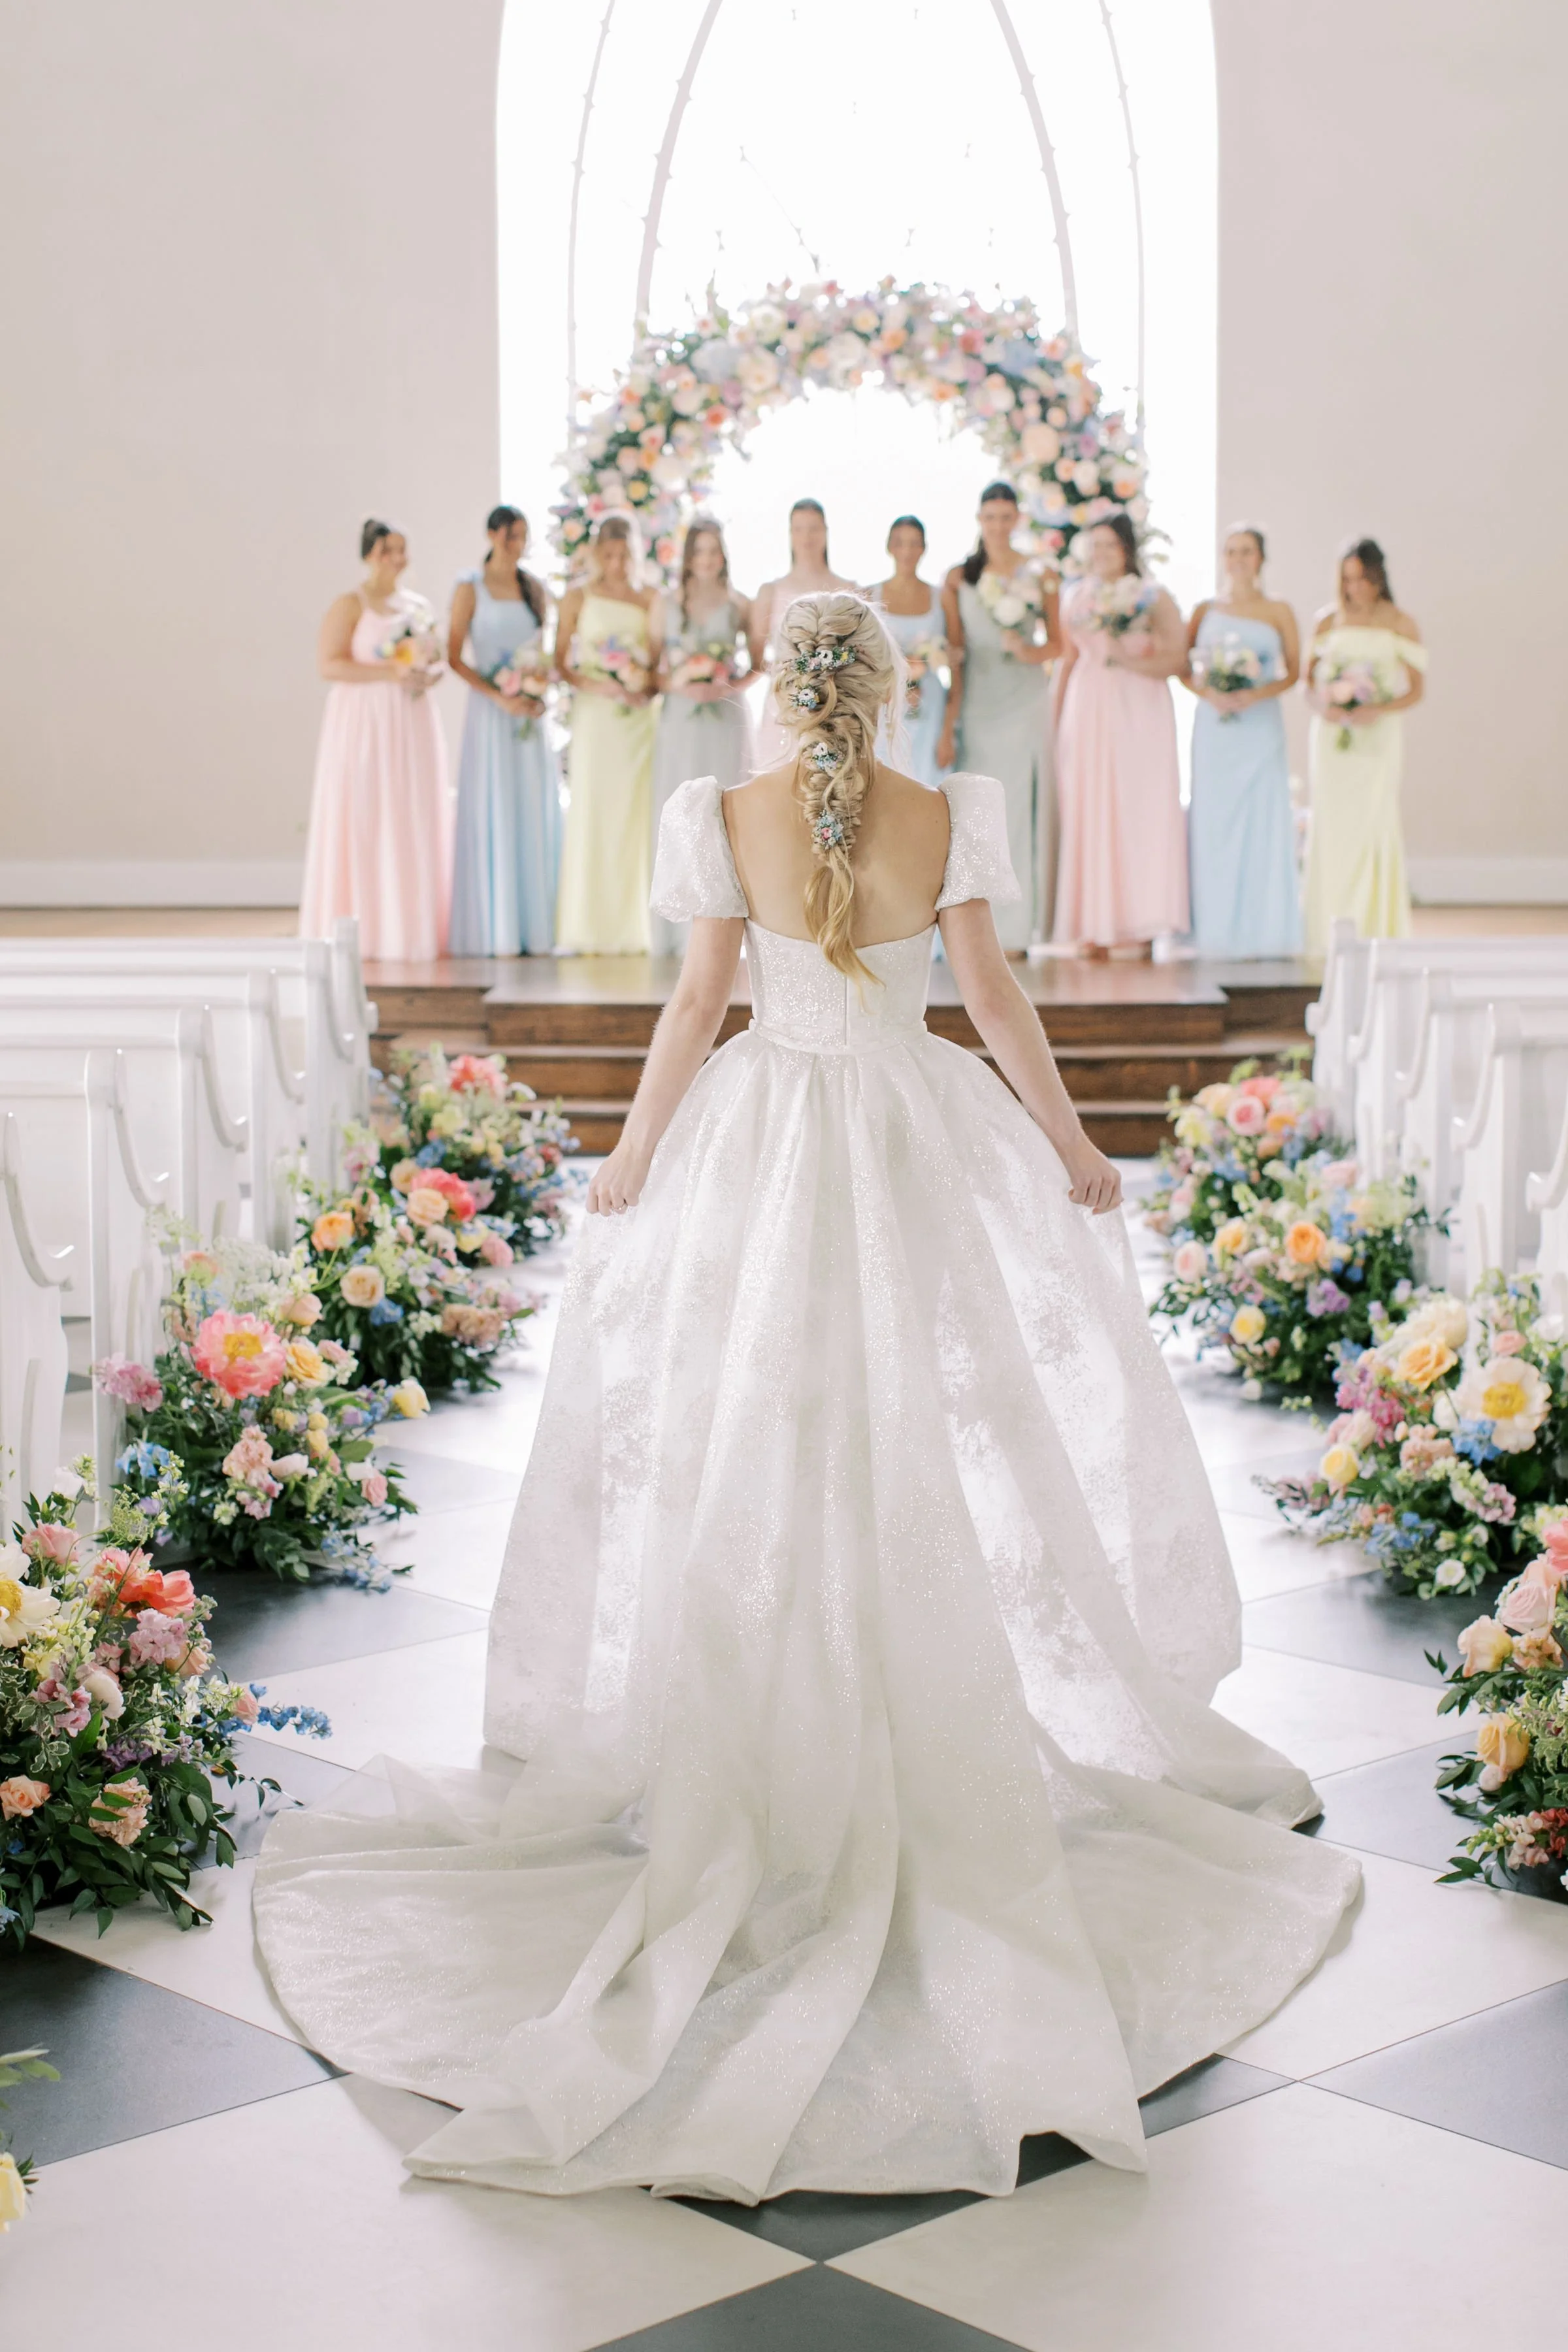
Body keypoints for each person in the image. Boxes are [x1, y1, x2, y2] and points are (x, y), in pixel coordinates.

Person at [254, 589, 1358, 2206]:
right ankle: (894, 1726)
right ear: (895, 689)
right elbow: (989, 1006)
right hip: (913, 1133)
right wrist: (1064, 1149)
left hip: (761, 1140)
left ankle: (773, 1740)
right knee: (923, 1434)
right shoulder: (946, 812)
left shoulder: (724, 812)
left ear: (780, 692)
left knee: (758, 1441)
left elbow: (699, 1006)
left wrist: (630, 1154)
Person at [299, 519, 451, 961]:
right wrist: (389, 672)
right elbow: (329, 665)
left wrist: (424, 673)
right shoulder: (350, 604)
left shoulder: (417, 607)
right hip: (362, 724)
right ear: (369, 554)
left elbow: (434, 654)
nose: (398, 559)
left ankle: (409, 927)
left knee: (410, 812)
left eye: (402, 550)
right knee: (364, 811)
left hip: (410, 720)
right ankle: (360, 929)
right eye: (389, 550)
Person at [1053, 514, 1188, 959]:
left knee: (1138, 807)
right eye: (1095, 546)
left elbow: (1176, 658)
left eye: (1110, 546)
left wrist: (1125, 661)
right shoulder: (1076, 594)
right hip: (1088, 704)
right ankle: (1093, 922)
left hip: (1139, 707)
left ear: (1127, 549)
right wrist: (1056, 719)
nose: (1101, 556)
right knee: (1090, 806)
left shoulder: (1153, 596)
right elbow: (1069, 657)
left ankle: (1141, 921)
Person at [938, 482, 1058, 952]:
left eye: (1007, 517)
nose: (999, 526)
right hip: (980, 701)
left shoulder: (1041, 574)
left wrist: (1030, 650)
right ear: (980, 520)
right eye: (991, 517)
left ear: (1018, 520)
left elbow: (1061, 643)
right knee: (978, 814)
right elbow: (956, 651)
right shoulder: (958, 578)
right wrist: (951, 716)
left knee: (1019, 809)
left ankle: (1018, 931)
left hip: (1026, 699)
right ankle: (977, 932)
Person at [446, 506, 563, 957]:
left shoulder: (533, 588)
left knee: (531, 807)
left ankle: (536, 929)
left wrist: (537, 687)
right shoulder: (469, 587)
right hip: (491, 715)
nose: (519, 545)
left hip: (529, 717)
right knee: (495, 805)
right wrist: (499, 696)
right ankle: (497, 929)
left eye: (524, 537)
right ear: (493, 535)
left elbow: (543, 653)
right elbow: (455, 655)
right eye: (513, 536)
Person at [1183, 525, 1302, 960]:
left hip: (1261, 726)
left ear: (1260, 559)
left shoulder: (1279, 611)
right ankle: (1217, 931)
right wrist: (1211, 692)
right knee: (1216, 825)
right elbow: (1184, 666)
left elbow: (1293, 671)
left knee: (1263, 823)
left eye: (1246, 551)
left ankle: (1266, 930)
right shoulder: (1205, 610)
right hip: (1217, 729)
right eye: (1231, 551)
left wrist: (1256, 693)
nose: (1237, 559)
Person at [1302, 537, 1426, 953]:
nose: (1355, 588)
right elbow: (1308, 687)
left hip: (1377, 739)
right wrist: (1327, 707)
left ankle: (1376, 930)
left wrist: (1379, 708)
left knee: (1374, 825)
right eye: (1348, 579)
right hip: (1333, 743)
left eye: (1363, 578)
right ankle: (1326, 931)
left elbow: (1417, 691)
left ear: (1378, 578)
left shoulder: (1400, 622)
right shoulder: (1326, 621)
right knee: (1333, 829)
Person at [553, 512, 659, 956]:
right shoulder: (578, 597)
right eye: (610, 555)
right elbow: (560, 662)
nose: (617, 564)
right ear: (598, 553)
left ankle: (635, 929)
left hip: (637, 723)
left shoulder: (650, 598)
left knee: (634, 819)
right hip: (597, 718)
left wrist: (639, 684)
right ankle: (586, 927)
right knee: (594, 812)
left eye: (625, 555)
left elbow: (657, 664)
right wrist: (603, 686)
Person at [649, 518, 753, 958]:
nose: (708, 559)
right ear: (688, 557)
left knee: (725, 817)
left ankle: (724, 930)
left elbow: (759, 667)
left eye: (715, 551)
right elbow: (650, 671)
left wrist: (724, 686)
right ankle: (673, 934)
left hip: (724, 719)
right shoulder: (665, 603)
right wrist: (681, 684)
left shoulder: (739, 604)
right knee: (679, 813)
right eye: (700, 551)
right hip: (680, 720)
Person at [747, 497, 857, 771]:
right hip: (782, 706)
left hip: (833, 703)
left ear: (826, 532)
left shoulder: (849, 589)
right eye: (799, 528)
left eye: (814, 528)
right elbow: (757, 659)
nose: (807, 536)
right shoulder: (770, 592)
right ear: (790, 534)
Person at [872, 514, 949, 786]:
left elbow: (957, 660)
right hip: (886, 706)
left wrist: (949, 731)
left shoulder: (941, 597)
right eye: (900, 543)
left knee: (927, 783)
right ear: (889, 547)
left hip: (930, 707)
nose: (907, 551)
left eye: (914, 544)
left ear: (924, 548)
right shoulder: (870, 595)